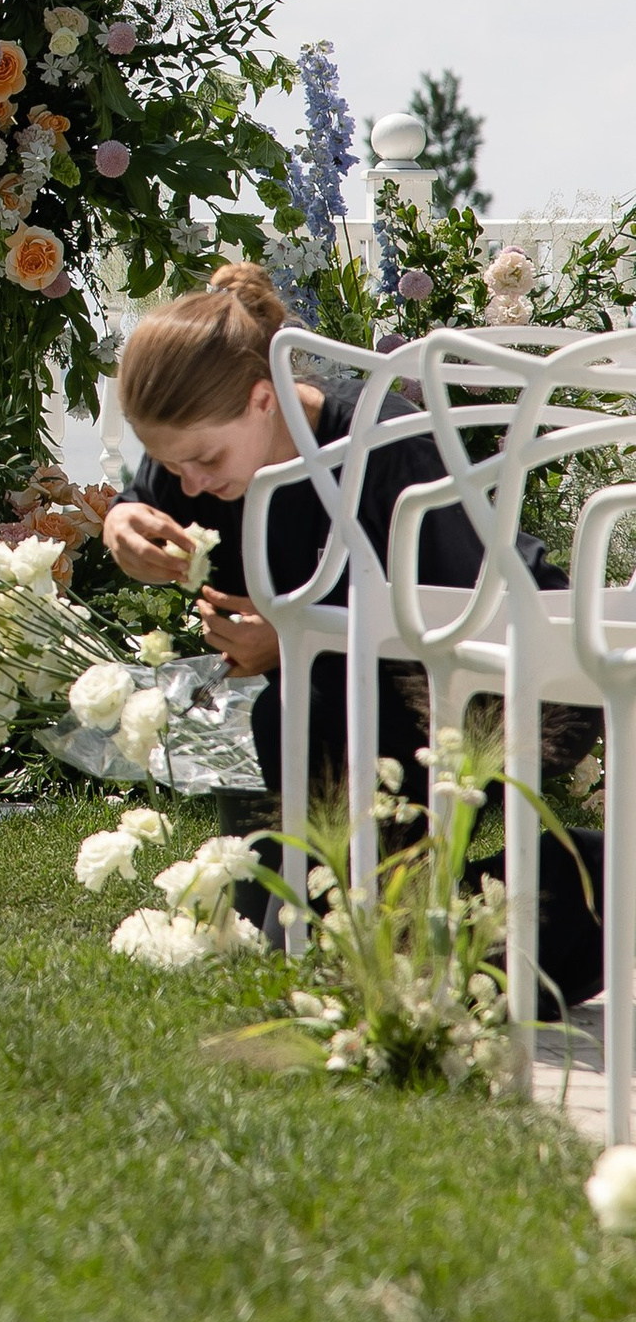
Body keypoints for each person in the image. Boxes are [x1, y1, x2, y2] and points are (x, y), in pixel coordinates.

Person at [100, 259, 599, 990]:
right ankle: (448, 919)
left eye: (202, 460)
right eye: (172, 467)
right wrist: (122, 520)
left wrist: (292, 637)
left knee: (300, 720)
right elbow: (146, 494)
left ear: (263, 399)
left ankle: (587, 884)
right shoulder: (203, 454)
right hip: (346, 696)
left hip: (512, 672)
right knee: (330, 935)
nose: (189, 486)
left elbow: (461, 615)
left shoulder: (382, 445)